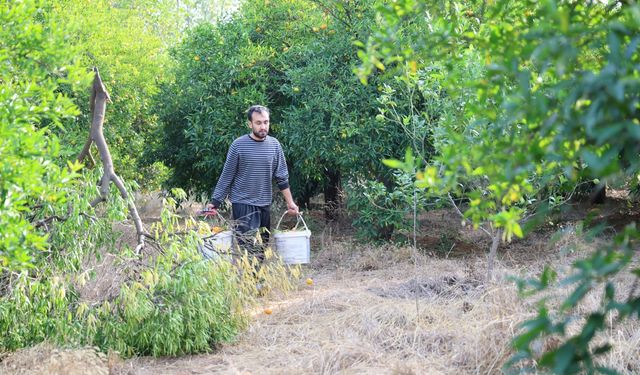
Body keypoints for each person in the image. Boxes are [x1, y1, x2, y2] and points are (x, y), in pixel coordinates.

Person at [206, 105, 299, 262]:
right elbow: (227, 176)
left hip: (264, 203)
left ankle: (254, 281)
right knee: (249, 245)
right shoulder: (238, 145)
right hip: (242, 203)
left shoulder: (275, 145)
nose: (263, 126)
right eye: (258, 123)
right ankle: (252, 283)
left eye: (266, 122)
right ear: (250, 124)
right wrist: (215, 202)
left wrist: (290, 203)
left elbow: (282, 178)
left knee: (263, 246)